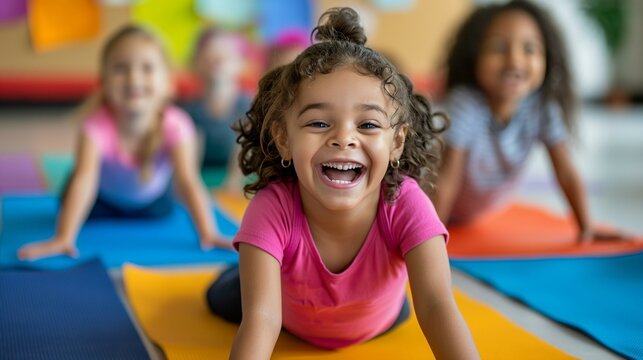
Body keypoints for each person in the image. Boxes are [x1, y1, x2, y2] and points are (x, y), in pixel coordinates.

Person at [205, 7, 480, 359]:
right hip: (290, 317)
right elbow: (262, 318)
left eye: (367, 125)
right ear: (283, 138)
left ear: (396, 142)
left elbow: (437, 306)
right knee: (221, 296)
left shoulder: (406, 203)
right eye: (319, 123)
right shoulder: (272, 207)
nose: (343, 138)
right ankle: (248, 269)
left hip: (380, 318)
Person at [17, 25, 231, 261]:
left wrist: (208, 232)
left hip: (151, 204)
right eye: (120, 68)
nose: (134, 78)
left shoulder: (178, 125)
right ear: (104, 82)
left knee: (169, 207)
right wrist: (64, 238)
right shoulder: (95, 126)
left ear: (167, 83)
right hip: (100, 199)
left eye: (147, 68)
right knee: (72, 191)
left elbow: (188, 180)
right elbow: (85, 179)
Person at [434, 0, 621, 242]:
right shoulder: (466, 105)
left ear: (547, 58)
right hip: (434, 205)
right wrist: (430, 237)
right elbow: (447, 177)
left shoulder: (541, 108)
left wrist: (586, 227)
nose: (515, 61)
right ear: (475, 56)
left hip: (474, 212)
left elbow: (565, 172)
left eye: (530, 49)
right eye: (499, 48)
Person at [182, 27, 252, 193]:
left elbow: (244, 148)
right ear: (196, 63)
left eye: (225, 56)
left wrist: (233, 181)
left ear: (239, 63)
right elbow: (192, 157)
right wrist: (192, 184)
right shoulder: (190, 110)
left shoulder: (249, 106)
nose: (217, 61)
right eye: (209, 56)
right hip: (203, 175)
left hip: (238, 178)